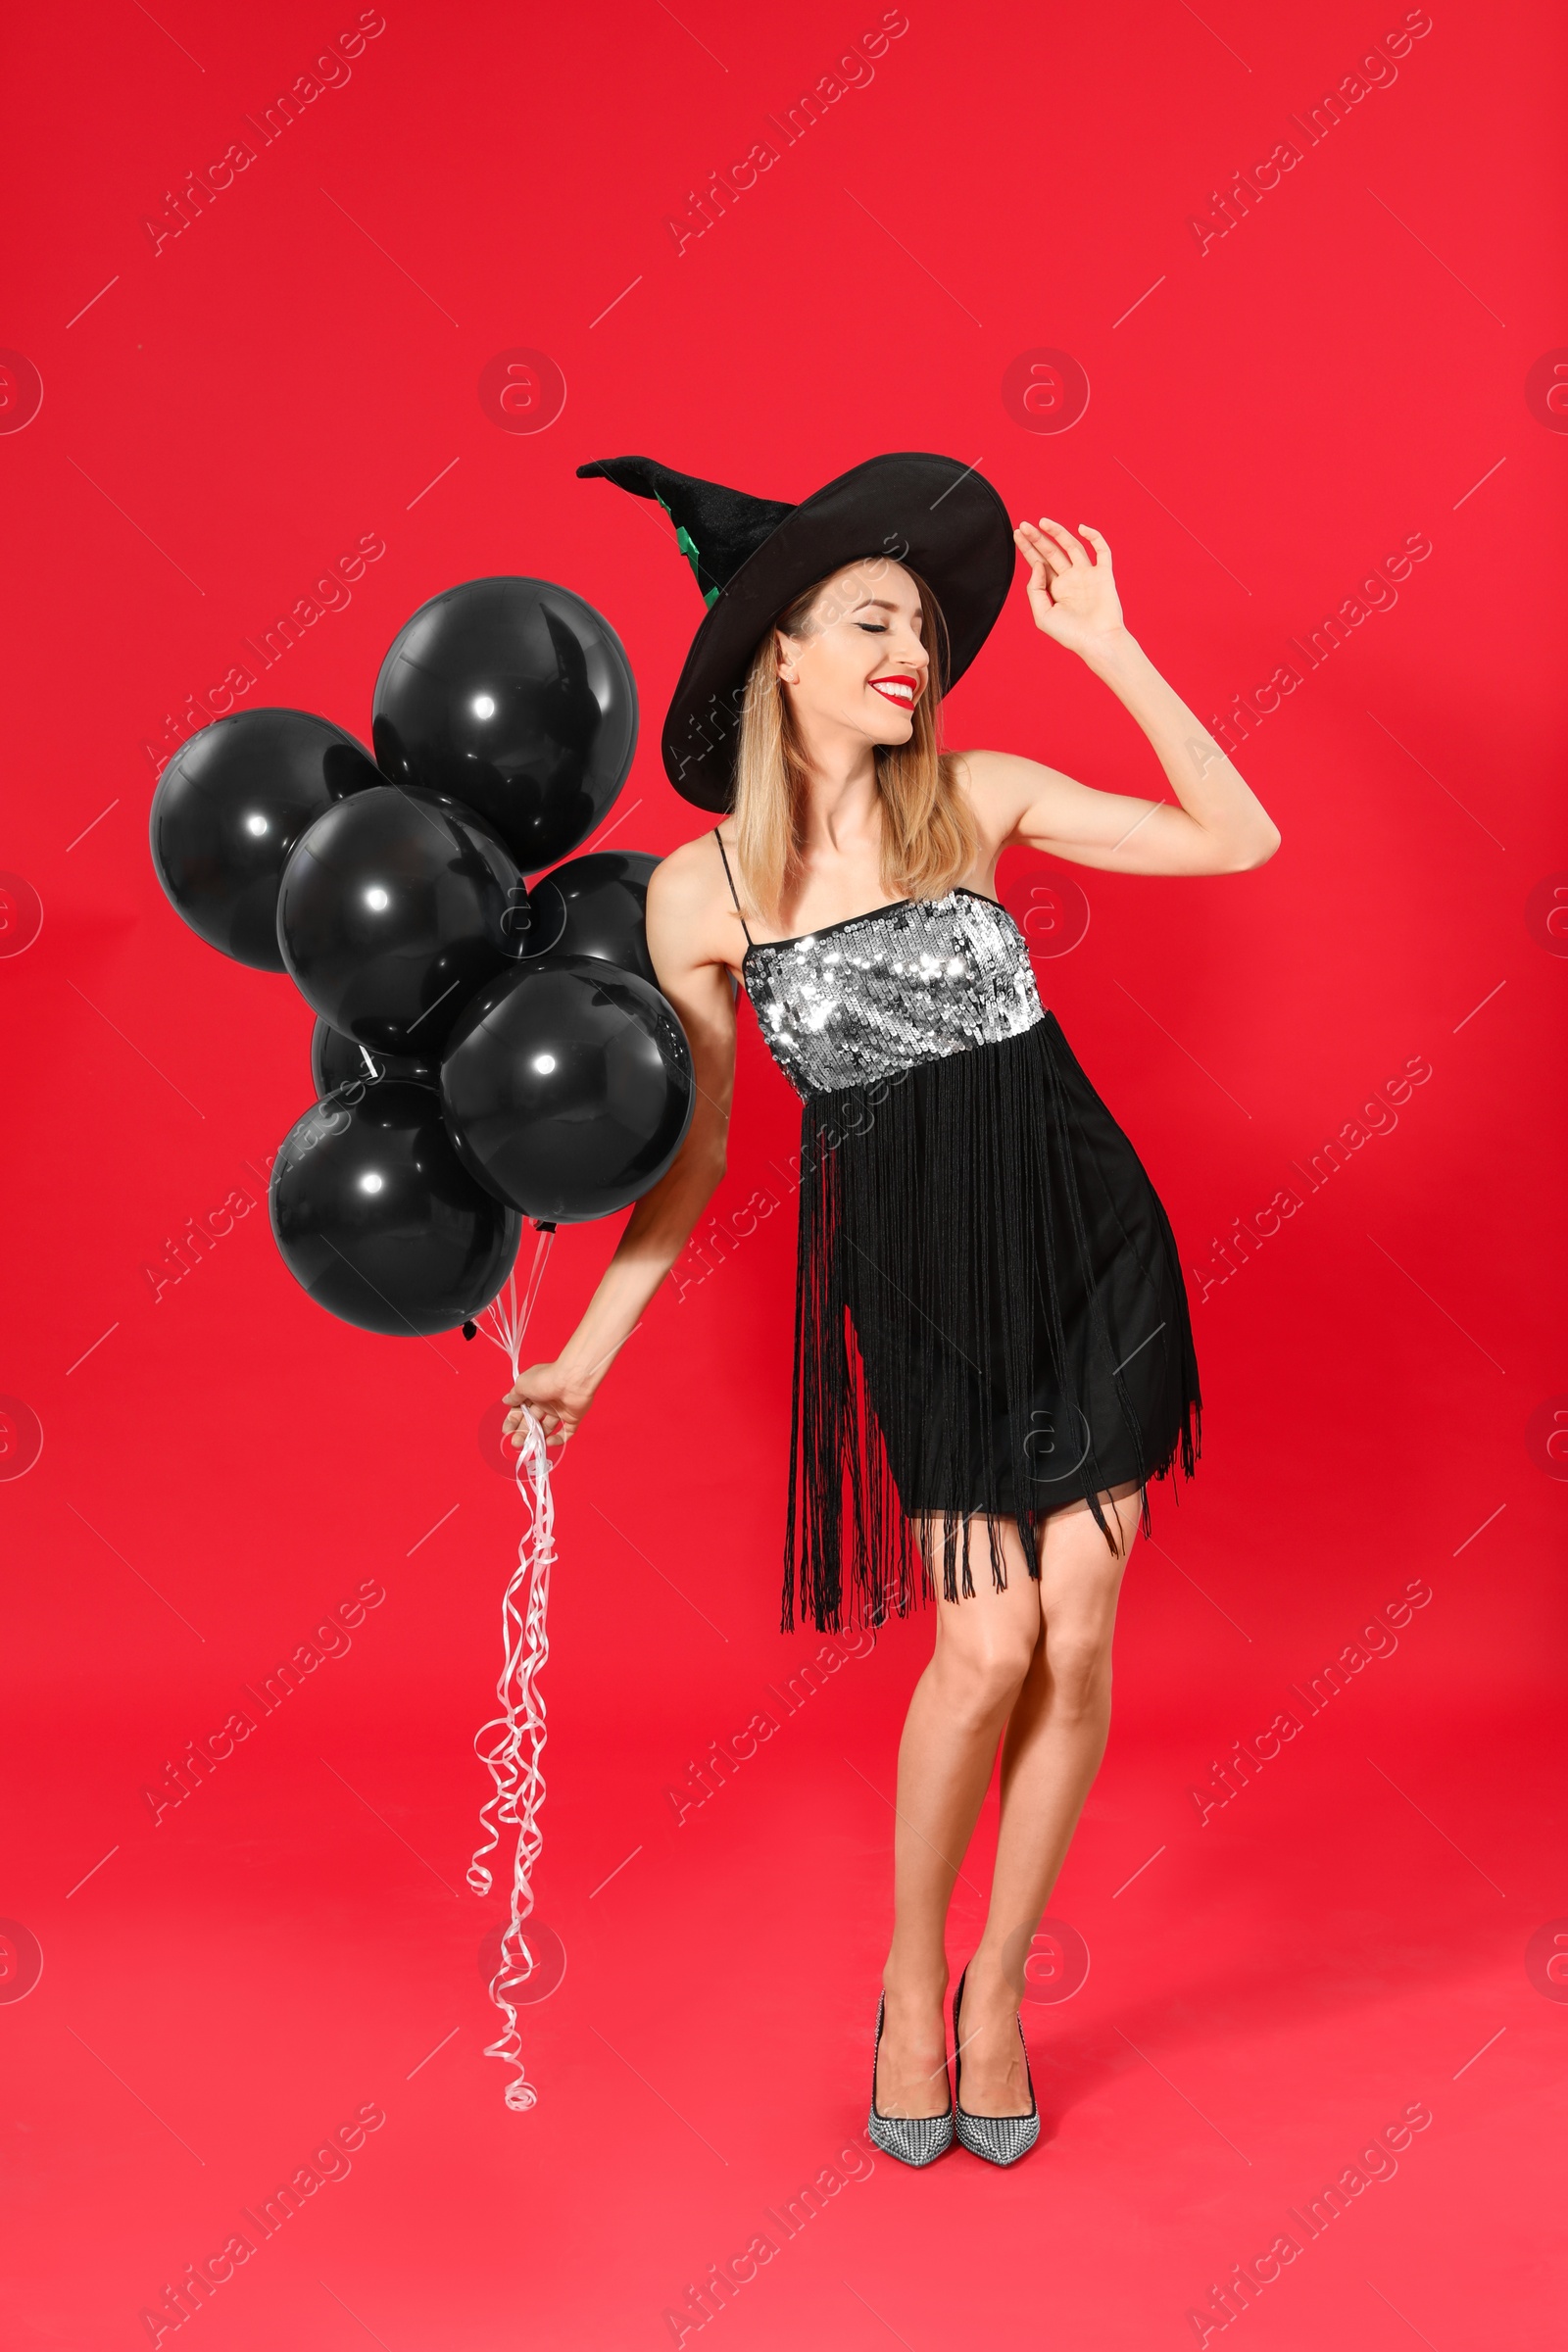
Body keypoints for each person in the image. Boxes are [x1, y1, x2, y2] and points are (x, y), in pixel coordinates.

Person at [503, 452, 1280, 2167]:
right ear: (773, 649)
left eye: (922, 628)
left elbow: (1242, 838)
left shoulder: (978, 795)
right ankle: (910, 1972)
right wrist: (581, 1360)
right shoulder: (696, 900)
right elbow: (691, 1170)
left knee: (1075, 1642)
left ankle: (999, 1985)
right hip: (921, 1285)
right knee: (983, 1645)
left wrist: (1117, 652)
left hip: (1091, 1239)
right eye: (871, 620)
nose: (908, 654)